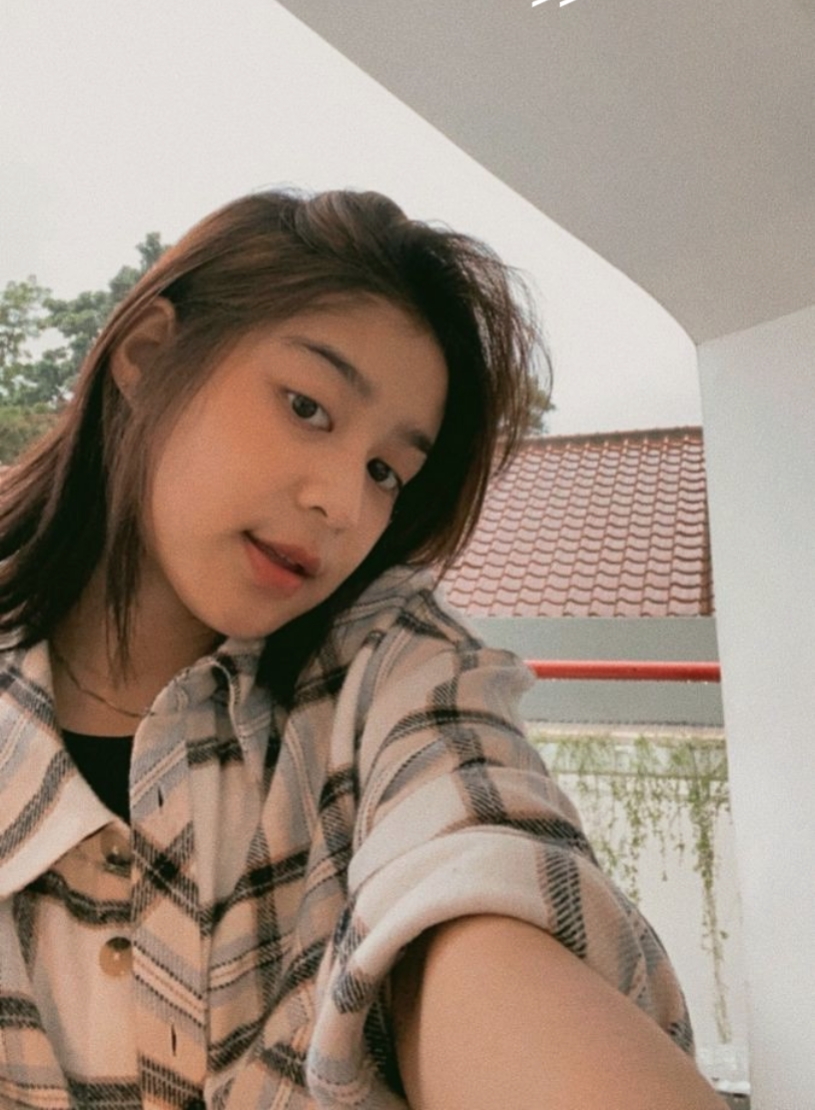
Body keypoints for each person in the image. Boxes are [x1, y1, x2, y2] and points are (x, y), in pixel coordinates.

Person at [0, 188, 724, 1110]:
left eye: (387, 470)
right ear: (146, 355)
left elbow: (470, 864)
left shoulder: (390, 673)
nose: (343, 503)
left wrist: (464, 957)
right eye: (308, 406)